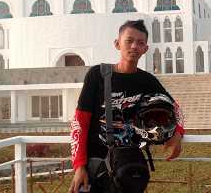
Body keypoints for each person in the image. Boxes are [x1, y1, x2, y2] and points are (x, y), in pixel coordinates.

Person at [68, 20, 185, 193]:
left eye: (140, 43)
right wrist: (79, 166)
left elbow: (175, 109)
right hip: (95, 166)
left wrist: (178, 134)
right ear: (117, 44)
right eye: (129, 41)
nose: (134, 46)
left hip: (128, 167)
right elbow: (80, 121)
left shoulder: (147, 80)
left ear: (145, 49)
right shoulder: (97, 75)